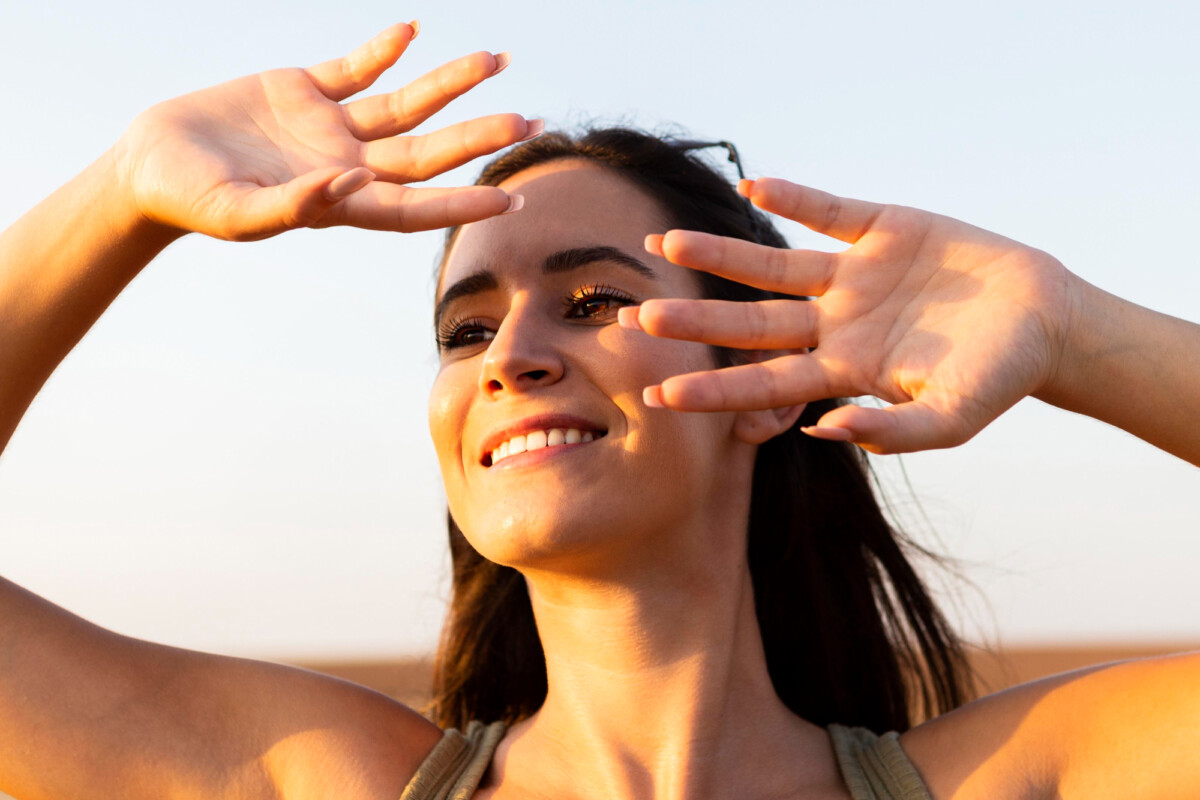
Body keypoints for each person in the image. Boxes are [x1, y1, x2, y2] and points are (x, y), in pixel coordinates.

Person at [1, 23, 1198, 800]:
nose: (510, 353)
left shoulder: (1012, 779)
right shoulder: (317, 778)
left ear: (763, 384)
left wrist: (1087, 335)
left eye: (590, 301)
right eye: (465, 329)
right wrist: (120, 198)